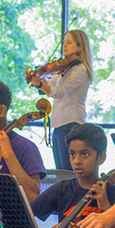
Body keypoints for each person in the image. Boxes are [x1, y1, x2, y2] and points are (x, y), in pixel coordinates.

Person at [25, 29, 93, 171]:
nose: (64, 46)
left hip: (72, 125)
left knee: (68, 172)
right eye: (64, 43)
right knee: (61, 171)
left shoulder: (79, 70)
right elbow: (50, 83)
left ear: (80, 47)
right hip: (60, 126)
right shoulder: (65, 69)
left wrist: (39, 83)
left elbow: (58, 92)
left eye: (69, 42)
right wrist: (37, 78)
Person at [0, 80, 46, 202]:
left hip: (15, 219)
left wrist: (8, 154)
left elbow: (32, 196)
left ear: (1, 110)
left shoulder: (26, 148)